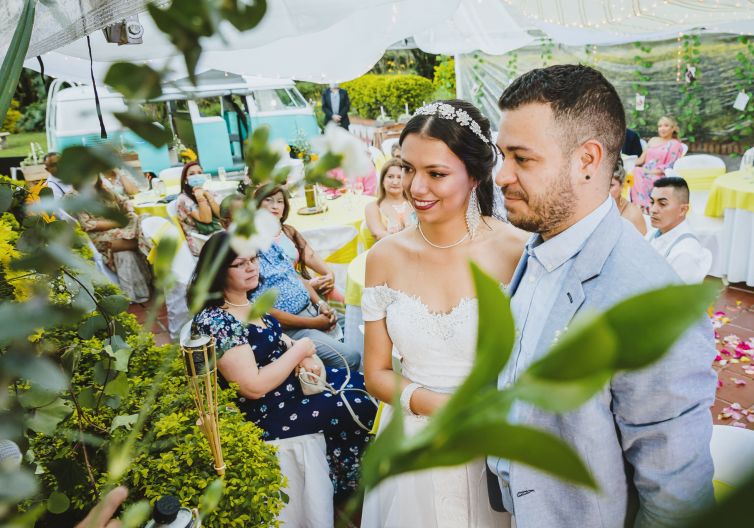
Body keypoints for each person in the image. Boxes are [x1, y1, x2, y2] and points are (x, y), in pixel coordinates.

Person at [491, 64, 716, 527]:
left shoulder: (647, 299)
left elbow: (677, 493)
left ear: (588, 160)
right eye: (501, 155)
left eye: (521, 158)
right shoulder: (539, 246)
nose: (500, 176)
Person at [361, 99, 526, 528]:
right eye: (407, 168)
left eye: (435, 174)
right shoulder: (384, 258)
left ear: (475, 176)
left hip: (493, 443)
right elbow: (375, 372)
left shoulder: (516, 252)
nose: (415, 187)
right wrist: (438, 408)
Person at [191, 232, 376, 502]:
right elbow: (251, 386)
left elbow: (278, 339)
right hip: (265, 411)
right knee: (358, 404)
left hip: (288, 388)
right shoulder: (217, 320)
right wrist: (300, 350)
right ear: (218, 270)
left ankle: (344, 472)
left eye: (253, 259)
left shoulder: (246, 302)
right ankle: (343, 485)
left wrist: (301, 356)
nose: (252, 267)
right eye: (240, 263)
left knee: (360, 383)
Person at [248, 229, 362, 370]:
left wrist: (320, 304)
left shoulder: (268, 244)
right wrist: (314, 323)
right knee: (351, 357)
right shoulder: (241, 263)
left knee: (364, 333)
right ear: (225, 223)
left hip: (313, 309)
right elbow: (262, 311)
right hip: (292, 328)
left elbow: (295, 276)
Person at [255, 185, 343, 302]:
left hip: (303, 286)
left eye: (280, 202)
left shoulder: (288, 231)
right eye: (268, 200)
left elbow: (309, 255)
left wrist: (329, 275)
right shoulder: (254, 238)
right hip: (282, 297)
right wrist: (308, 285)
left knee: (334, 292)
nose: (275, 206)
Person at [78, 175, 151, 302]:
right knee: (145, 239)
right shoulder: (73, 197)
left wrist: (129, 213)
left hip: (122, 231)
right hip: (98, 237)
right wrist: (118, 222)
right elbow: (88, 224)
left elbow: (124, 202)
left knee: (145, 218)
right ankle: (153, 253)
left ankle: (148, 247)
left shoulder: (104, 190)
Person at [648, 177, 712, 284]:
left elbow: (677, 298)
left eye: (662, 204)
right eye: (652, 202)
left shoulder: (685, 253)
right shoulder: (653, 233)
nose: (653, 210)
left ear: (683, 210)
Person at [630, 116, 685, 210]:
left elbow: (670, 165)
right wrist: (624, 160)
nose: (662, 128)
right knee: (634, 171)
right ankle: (639, 205)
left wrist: (650, 172)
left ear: (673, 128)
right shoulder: (653, 140)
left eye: (666, 125)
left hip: (660, 174)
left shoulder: (675, 144)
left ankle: (643, 206)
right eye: (660, 126)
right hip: (644, 171)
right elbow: (641, 160)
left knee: (638, 172)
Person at [174, 161, 222, 256]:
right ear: (185, 180)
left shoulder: (208, 192)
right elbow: (206, 219)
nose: (197, 176)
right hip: (200, 240)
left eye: (200, 173)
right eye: (192, 174)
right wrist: (200, 199)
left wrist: (208, 196)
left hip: (215, 234)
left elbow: (220, 214)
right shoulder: (183, 199)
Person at [364, 158, 415, 242]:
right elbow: (378, 234)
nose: (395, 182)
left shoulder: (414, 203)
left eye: (400, 177)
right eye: (390, 177)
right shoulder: (373, 207)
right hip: (387, 251)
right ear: (382, 181)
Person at [610, 158, 647, 235]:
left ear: (622, 186)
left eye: (611, 185)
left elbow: (642, 244)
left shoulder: (633, 215)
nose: (605, 189)